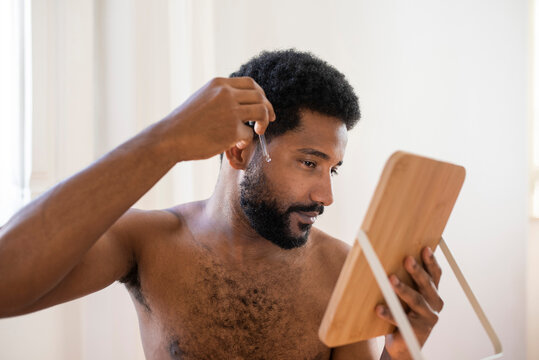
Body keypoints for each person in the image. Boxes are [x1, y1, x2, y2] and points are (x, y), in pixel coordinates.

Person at [0, 49, 443, 359]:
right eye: (309, 162)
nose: (326, 196)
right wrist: (166, 140)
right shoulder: (147, 243)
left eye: (333, 169)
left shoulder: (343, 271)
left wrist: (401, 353)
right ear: (239, 149)